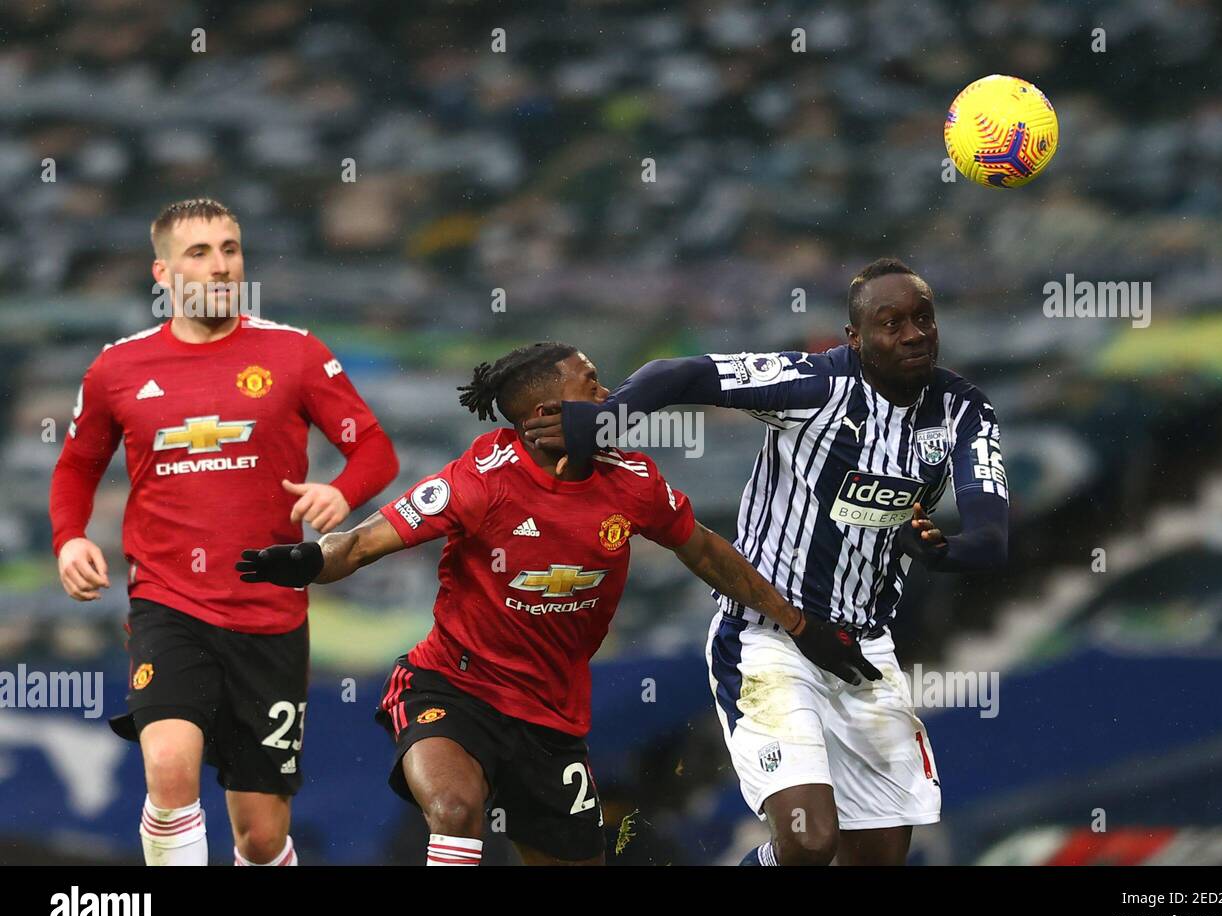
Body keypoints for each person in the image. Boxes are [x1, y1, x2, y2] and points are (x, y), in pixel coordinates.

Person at [237, 342, 868, 865]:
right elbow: (362, 544)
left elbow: (704, 552)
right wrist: (308, 561)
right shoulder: (481, 480)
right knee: (456, 812)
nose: (611, 397)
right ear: (546, 412)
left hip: (550, 720)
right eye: (593, 385)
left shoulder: (634, 482)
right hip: (451, 688)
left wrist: (799, 623)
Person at [522, 258, 1009, 865]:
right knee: (808, 841)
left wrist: (942, 550)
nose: (913, 334)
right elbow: (680, 374)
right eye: (891, 323)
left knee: (879, 857)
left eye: (922, 319)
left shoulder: (963, 411)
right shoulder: (815, 385)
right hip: (770, 636)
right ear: (855, 339)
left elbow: (992, 538)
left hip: (864, 652)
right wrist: (604, 419)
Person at [49, 198, 399, 865]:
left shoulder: (293, 354)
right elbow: (76, 468)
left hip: (269, 615)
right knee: (172, 766)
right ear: (163, 272)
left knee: (260, 837)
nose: (220, 266)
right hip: (168, 603)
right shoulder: (116, 369)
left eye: (230, 249)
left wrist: (340, 491)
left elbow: (375, 449)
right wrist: (70, 536)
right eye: (199, 253)